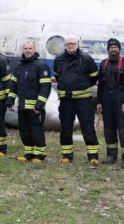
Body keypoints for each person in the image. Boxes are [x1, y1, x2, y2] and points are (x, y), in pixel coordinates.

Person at [53, 36, 100, 166]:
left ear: (77, 45)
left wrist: (81, 87)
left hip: (83, 101)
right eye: (68, 44)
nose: (70, 46)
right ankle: (67, 155)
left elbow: (94, 76)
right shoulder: (59, 59)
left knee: (88, 127)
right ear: (64, 46)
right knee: (65, 128)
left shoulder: (86, 58)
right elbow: (57, 75)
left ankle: (93, 156)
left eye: (73, 44)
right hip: (66, 101)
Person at [6, 40, 51, 162]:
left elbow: (45, 88)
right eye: (25, 48)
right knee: (24, 131)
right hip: (22, 106)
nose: (28, 50)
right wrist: (10, 101)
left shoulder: (41, 65)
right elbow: (13, 85)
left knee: (36, 131)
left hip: (35, 108)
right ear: (23, 50)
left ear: (35, 49)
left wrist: (39, 106)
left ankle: (40, 154)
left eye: (30, 48)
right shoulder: (19, 66)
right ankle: (28, 153)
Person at [96, 38, 124, 169]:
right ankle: (111, 156)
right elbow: (100, 85)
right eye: (111, 47)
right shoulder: (103, 63)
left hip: (121, 98)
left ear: (119, 49)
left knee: (123, 129)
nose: (113, 49)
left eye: (115, 47)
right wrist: (99, 101)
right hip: (107, 98)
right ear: (108, 49)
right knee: (108, 129)